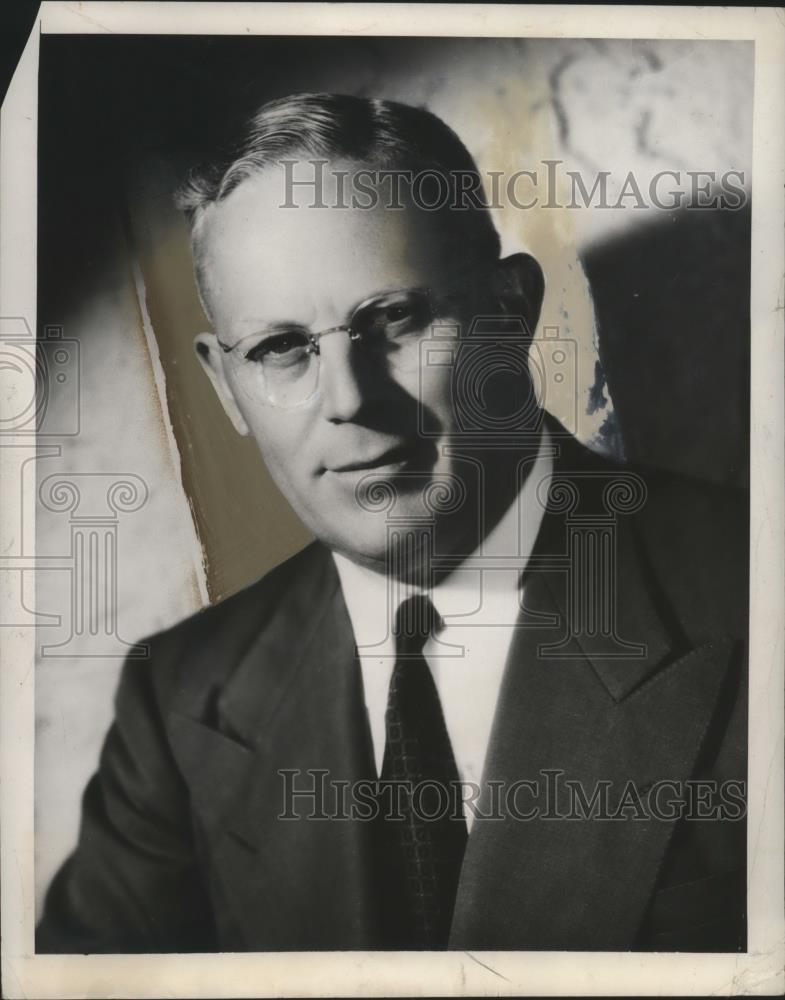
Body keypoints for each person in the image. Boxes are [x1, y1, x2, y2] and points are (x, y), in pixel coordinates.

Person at [37, 93, 747, 953]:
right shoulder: (183, 697)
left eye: (395, 320)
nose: (349, 400)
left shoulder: (751, 591)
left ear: (512, 309)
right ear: (226, 387)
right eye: (280, 349)